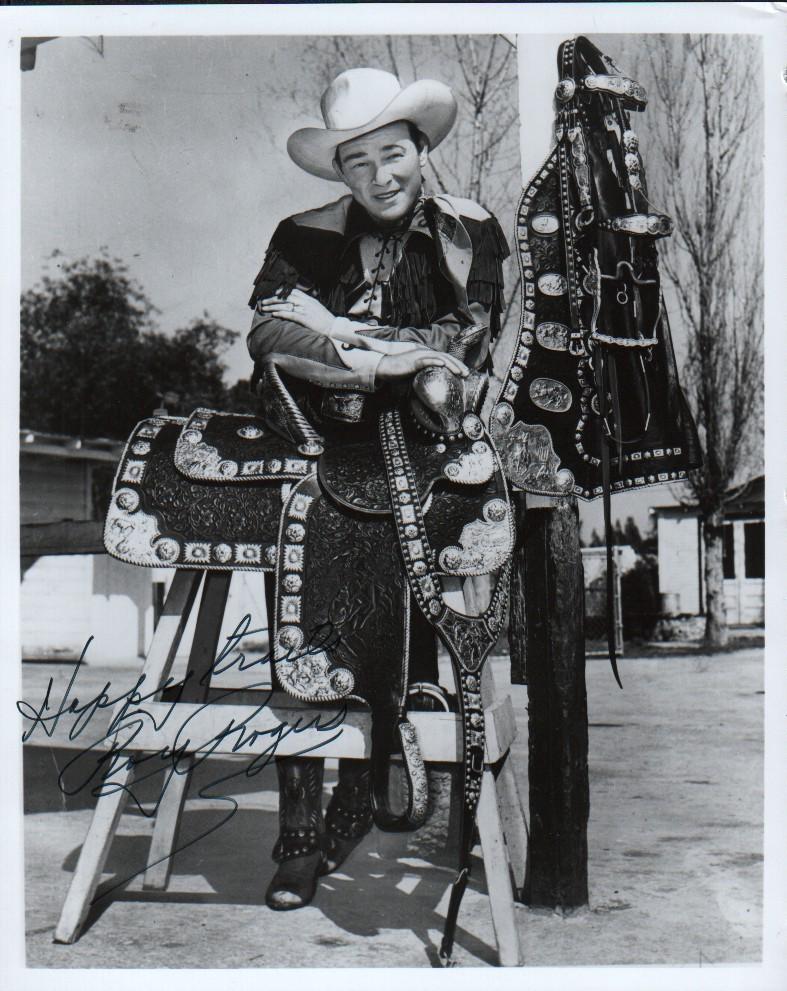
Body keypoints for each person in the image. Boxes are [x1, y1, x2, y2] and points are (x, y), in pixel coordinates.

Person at [246, 66, 509, 911]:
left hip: (425, 422)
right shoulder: (303, 232)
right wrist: (355, 357)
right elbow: (268, 322)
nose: (379, 176)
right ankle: (299, 830)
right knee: (303, 532)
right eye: (358, 163)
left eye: (392, 155)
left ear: (419, 149)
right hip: (321, 420)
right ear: (341, 171)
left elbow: (470, 331)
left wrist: (386, 349)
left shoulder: (470, 233)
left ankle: (393, 770)